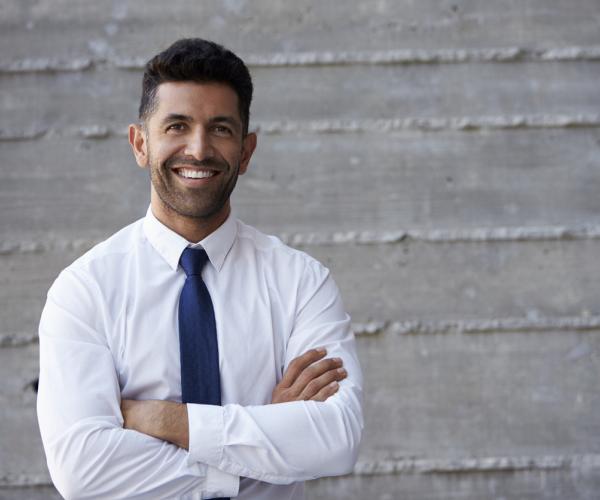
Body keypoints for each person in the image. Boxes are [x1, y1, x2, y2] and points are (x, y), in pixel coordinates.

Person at [37, 38, 363, 499]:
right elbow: (82, 471)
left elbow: (336, 438)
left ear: (246, 151)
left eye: (221, 129)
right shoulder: (85, 289)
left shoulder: (300, 283)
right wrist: (261, 440)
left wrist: (166, 421)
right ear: (140, 143)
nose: (199, 148)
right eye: (176, 125)